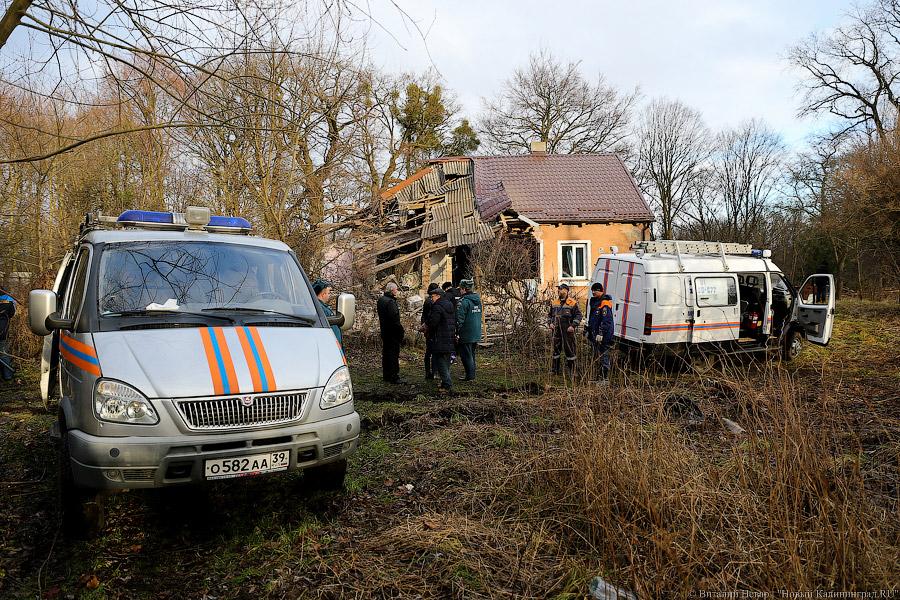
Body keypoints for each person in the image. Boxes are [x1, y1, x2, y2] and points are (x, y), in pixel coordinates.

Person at [425, 286, 456, 393]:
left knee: (440, 362)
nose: (431, 298)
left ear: (438, 296)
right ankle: (444, 382)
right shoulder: (449, 305)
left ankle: (447, 384)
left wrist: (426, 328)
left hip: (440, 337)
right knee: (446, 361)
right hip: (449, 336)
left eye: (432, 296)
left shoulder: (437, 307)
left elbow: (433, 322)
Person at [548, 283, 582, 376]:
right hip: (556, 331)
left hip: (568, 331)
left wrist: (573, 325)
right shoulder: (554, 303)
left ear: (566, 291)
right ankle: (554, 370)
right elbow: (550, 315)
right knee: (555, 350)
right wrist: (550, 323)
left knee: (570, 350)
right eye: (558, 289)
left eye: (561, 289)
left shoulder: (572, 303)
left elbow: (579, 315)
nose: (559, 291)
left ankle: (573, 372)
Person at [585, 282, 614, 384]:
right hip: (595, 334)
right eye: (592, 290)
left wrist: (601, 333)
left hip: (604, 335)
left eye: (595, 290)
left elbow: (606, 320)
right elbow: (592, 319)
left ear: (600, 291)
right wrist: (588, 330)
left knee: (604, 354)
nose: (593, 292)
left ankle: (605, 378)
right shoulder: (595, 302)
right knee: (596, 355)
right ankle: (598, 377)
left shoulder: (605, 303)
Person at [376, 282, 404, 384]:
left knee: (386, 353)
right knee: (393, 355)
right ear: (392, 290)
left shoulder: (381, 300)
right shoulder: (391, 302)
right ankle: (394, 376)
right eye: (396, 289)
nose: (397, 291)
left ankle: (386, 375)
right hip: (393, 332)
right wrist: (401, 331)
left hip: (385, 330)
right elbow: (394, 319)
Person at [455, 279, 482, 381]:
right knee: (471, 354)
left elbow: (459, 319)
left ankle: (470, 376)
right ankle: (472, 374)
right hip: (476, 332)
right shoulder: (477, 300)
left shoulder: (464, 302)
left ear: (464, 289)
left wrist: (457, 332)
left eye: (460, 289)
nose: (459, 291)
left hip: (466, 332)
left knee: (466, 355)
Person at [313, 279, 343, 354]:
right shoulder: (320, 309)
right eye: (328, 293)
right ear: (323, 294)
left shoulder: (320, 307)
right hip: (330, 350)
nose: (329, 295)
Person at [420, 283, 440, 379]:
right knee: (433, 351)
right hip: (431, 329)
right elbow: (431, 317)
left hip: (428, 328)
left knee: (429, 351)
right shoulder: (431, 302)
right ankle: (433, 371)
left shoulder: (427, 301)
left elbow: (424, 316)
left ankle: (428, 372)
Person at [0, 291, 16, 382]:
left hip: (2, 332)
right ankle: (8, 375)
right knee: (4, 353)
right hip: (3, 332)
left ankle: (8, 374)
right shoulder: (8, 299)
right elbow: (12, 314)